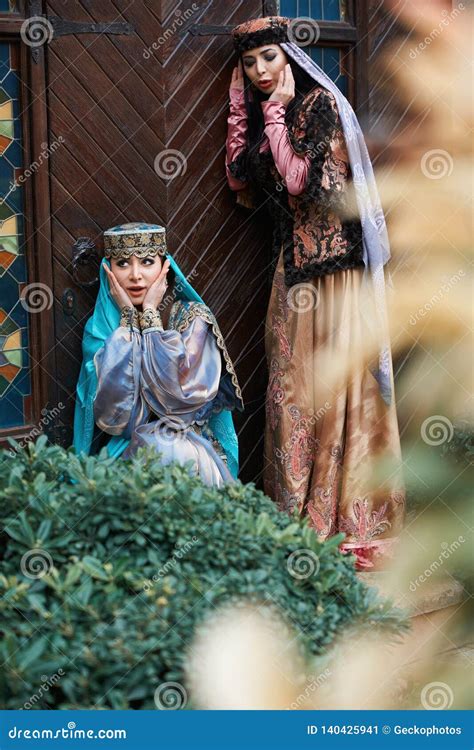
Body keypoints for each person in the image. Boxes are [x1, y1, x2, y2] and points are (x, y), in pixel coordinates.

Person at [225, 17, 405, 569]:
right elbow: (238, 179)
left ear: (290, 58)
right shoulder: (260, 114)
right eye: (249, 63)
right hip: (293, 272)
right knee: (293, 390)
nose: (260, 72)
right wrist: (241, 111)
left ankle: (351, 517)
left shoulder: (319, 105)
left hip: (336, 274)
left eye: (269, 59)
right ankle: (300, 510)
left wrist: (275, 113)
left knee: (344, 389)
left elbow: (302, 181)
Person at [73, 222, 243, 487]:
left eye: (147, 261)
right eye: (122, 264)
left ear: (165, 267)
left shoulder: (193, 319)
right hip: (126, 447)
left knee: (169, 450)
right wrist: (128, 323)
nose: (136, 275)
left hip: (190, 445)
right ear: (108, 272)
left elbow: (178, 403)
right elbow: (115, 419)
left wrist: (151, 320)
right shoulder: (100, 329)